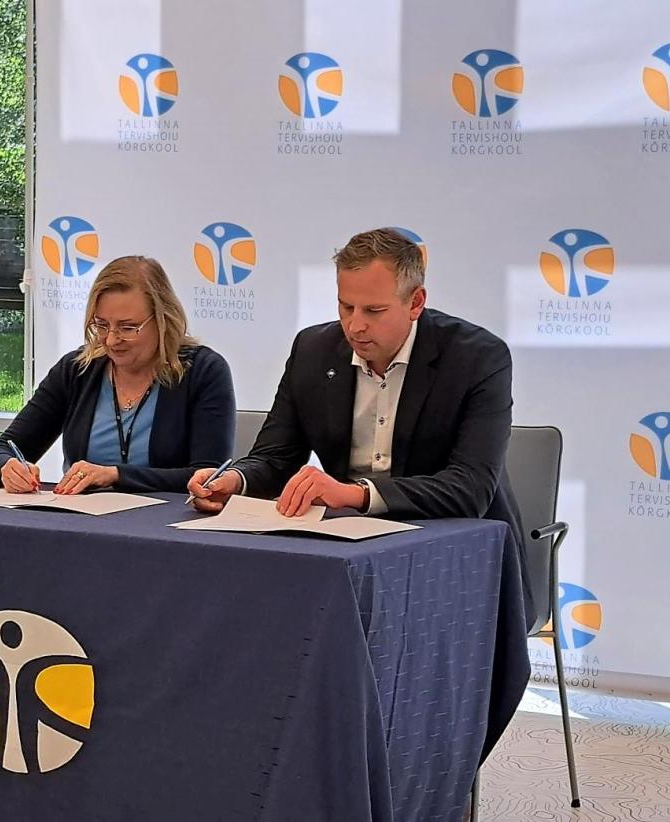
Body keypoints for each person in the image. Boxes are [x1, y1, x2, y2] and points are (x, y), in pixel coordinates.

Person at [187, 227, 533, 618]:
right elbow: (274, 457)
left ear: (416, 303)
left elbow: (470, 489)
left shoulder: (477, 358)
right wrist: (236, 481)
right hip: (348, 555)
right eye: (345, 307)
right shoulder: (313, 350)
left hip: (456, 561)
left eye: (374, 311)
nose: (355, 326)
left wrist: (354, 494)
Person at [0, 255, 235, 494]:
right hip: (80, 518)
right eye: (102, 325)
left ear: (163, 320)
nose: (112, 340)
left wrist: (116, 475)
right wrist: (8, 468)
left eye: (128, 327)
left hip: (170, 519)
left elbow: (208, 476)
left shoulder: (204, 371)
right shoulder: (77, 370)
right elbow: (2, 449)